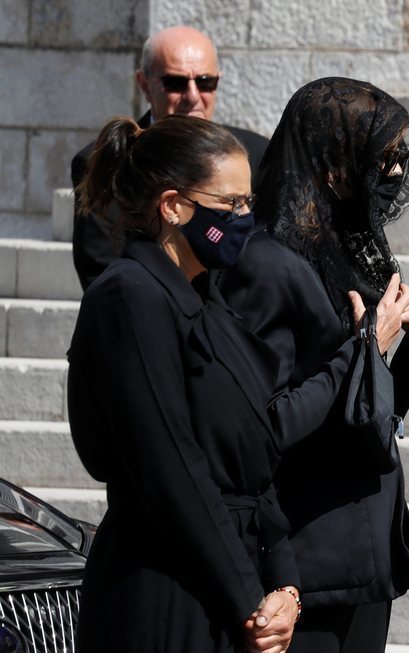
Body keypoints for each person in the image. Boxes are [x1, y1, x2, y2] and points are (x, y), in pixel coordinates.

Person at [218, 77, 409, 653]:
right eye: (380, 158)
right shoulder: (265, 264)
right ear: (334, 164)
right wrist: (367, 344)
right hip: (305, 560)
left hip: (361, 555)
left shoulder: (340, 254)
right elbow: (266, 425)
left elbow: (365, 415)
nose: (392, 174)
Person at [67, 115, 301, 652]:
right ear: (173, 205)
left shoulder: (206, 296)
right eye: (231, 204)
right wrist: (250, 602)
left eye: (249, 202)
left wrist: (284, 583)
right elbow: (170, 466)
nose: (245, 218)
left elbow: (255, 460)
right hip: (166, 593)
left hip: (231, 585)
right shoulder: (130, 297)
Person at [70, 25, 269, 290]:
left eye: (205, 82)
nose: (193, 96)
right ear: (144, 84)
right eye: (175, 83)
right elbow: (101, 269)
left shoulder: (255, 154)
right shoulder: (110, 160)